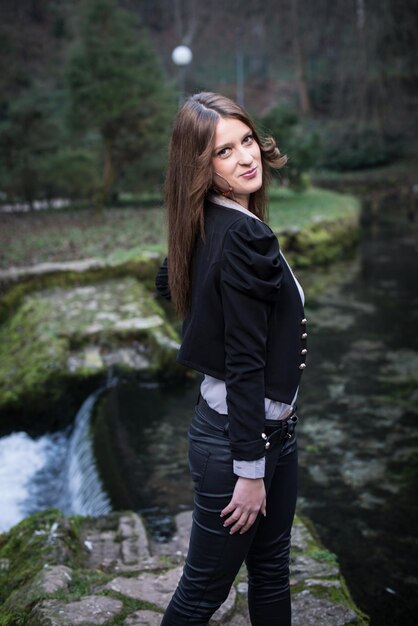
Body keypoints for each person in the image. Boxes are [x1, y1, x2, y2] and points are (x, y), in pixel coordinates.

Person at [155, 92, 307, 626]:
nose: (247, 157)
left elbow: (168, 282)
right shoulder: (238, 233)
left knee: (271, 570)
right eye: (224, 152)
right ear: (201, 167)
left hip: (265, 434)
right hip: (238, 443)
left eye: (247, 140)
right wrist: (249, 470)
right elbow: (245, 362)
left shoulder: (211, 221)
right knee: (201, 595)